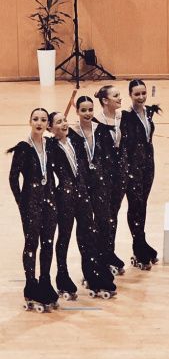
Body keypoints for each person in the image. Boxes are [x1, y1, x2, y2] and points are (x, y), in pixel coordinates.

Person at [47, 112, 116, 299]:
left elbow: (84, 167)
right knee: (65, 237)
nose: (64, 124)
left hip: (83, 194)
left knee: (89, 234)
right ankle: (62, 277)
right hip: (65, 198)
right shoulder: (51, 147)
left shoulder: (75, 142)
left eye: (64, 120)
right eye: (58, 122)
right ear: (50, 128)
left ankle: (92, 274)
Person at [8, 108, 59, 312]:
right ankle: (31, 285)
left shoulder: (51, 145)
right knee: (32, 243)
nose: (39, 122)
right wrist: (21, 201)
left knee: (48, 243)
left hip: (50, 201)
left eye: (43, 120)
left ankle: (45, 282)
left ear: (47, 124)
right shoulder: (23, 148)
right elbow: (13, 178)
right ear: (30, 121)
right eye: (35, 119)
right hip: (30, 202)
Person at [73, 96, 125, 276]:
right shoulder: (72, 133)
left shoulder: (101, 130)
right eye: (83, 110)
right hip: (81, 186)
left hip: (101, 183)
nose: (87, 113)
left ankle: (103, 260)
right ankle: (89, 266)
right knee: (86, 227)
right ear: (77, 111)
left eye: (90, 110)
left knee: (104, 222)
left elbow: (109, 157)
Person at [121, 79, 160, 269]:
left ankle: (141, 243)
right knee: (135, 205)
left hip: (148, 164)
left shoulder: (149, 112)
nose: (141, 97)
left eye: (143, 93)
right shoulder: (125, 117)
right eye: (137, 94)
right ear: (130, 95)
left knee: (142, 204)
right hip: (132, 166)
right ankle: (138, 246)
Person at [94, 85, 127, 271]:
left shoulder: (122, 118)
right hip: (103, 176)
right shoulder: (96, 122)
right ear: (105, 100)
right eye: (116, 96)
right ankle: (100, 256)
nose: (120, 98)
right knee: (103, 217)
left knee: (113, 214)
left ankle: (109, 252)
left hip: (119, 174)